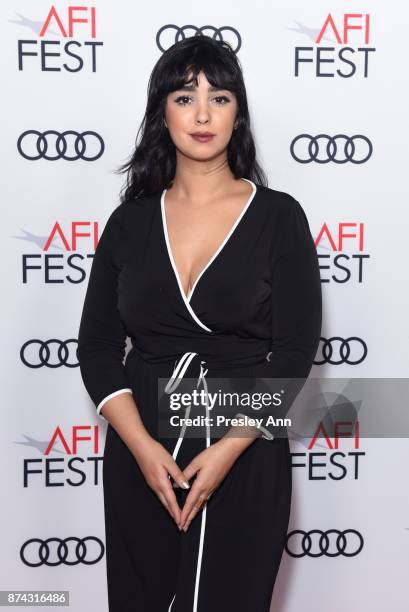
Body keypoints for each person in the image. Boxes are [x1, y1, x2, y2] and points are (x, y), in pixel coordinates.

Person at [77, 35, 322, 612]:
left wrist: (229, 450)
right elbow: (97, 347)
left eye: (221, 97)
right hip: (144, 451)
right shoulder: (129, 222)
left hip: (244, 446)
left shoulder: (279, 217)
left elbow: (292, 355)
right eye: (185, 97)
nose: (204, 113)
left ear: (239, 114)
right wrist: (140, 448)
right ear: (162, 112)